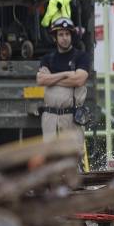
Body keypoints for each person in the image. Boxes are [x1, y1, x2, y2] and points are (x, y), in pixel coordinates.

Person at [36, 17, 89, 150]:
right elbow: (41, 80)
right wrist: (65, 74)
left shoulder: (81, 57)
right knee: (50, 158)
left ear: (71, 36)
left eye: (67, 34)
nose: (64, 38)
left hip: (71, 117)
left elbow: (79, 80)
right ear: (55, 37)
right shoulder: (47, 59)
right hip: (50, 118)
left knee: (73, 157)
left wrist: (52, 79)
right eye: (60, 34)